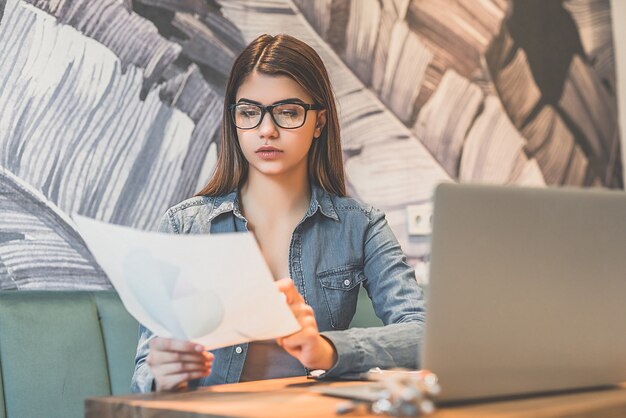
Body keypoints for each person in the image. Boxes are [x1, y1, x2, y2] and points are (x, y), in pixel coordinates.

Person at [132, 33, 425, 392]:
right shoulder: (184, 226)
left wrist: (326, 349)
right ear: (234, 120)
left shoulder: (360, 225)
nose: (266, 130)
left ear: (319, 122)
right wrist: (160, 376)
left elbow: (422, 333)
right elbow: (146, 371)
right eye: (249, 113)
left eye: (288, 112)